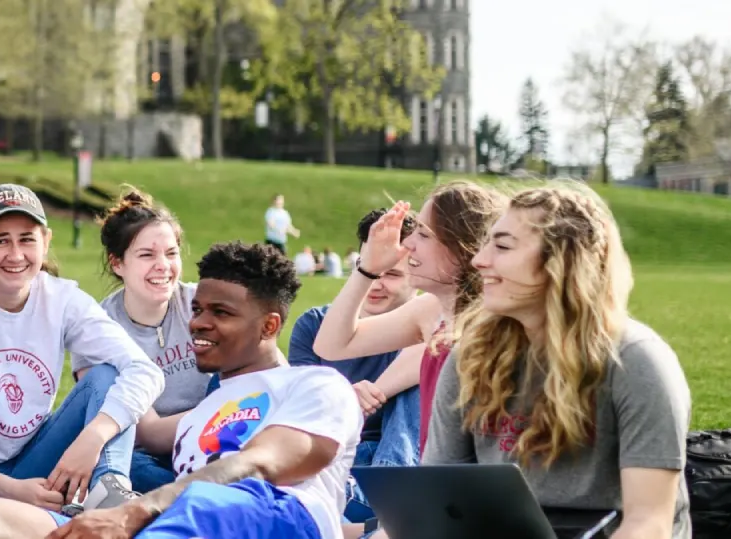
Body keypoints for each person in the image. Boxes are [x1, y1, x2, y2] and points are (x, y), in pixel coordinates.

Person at [0, 241, 360, 539]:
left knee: (197, 508)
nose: (197, 323)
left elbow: (261, 465)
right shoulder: (198, 416)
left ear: (269, 325)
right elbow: (138, 416)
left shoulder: (316, 384)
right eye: (196, 310)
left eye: (220, 312)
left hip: (265, 515)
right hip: (164, 517)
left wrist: (133, 511)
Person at [395, 183, 692, 538]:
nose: (479, 260)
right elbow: (441, 503)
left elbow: (649, 524)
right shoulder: (469, 358)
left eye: (502, 246)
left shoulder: (636, 360)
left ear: (563, 261)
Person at [0, 183, 166, 513]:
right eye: (1, 240)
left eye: (27, 239)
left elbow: (144, 371)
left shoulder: (62, 300)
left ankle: (109, 493)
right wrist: (10, 489)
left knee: (106, 377)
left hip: (37, 458)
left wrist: (92, 437)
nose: (16, 254)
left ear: (46, 241)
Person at [311, 181, 506, 452]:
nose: (408, 243)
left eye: (424, 235)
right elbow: (331, 345)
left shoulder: (501, 319)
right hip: (439, 477)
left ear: (464, 246)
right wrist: (368, 268)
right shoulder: (429, 310)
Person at [289, 209, 423, 526]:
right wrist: (342, 397)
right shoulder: (315, 325)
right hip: (332, 454)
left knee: (421, 379)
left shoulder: (428, 327)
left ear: (416, 276)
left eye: (391, 274)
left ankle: (384, 508)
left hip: (397, 463)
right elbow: (299, 411)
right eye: (368, 270)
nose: (376, 284)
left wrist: (375, 392)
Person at [93, 187, 205, 494]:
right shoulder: (99, 327)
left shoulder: (201, 303)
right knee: (127, 468)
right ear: (117, 263)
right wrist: (225, 414)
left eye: (171, 253)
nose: (163, 266)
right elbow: (151, 434)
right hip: (149, 456)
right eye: (146, 255)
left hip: (214, 444)